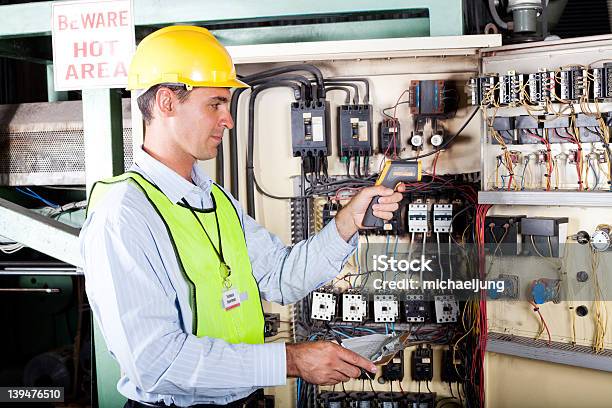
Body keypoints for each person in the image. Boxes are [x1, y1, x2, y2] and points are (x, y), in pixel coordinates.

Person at [80, 25, 403, 408]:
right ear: (167, 102)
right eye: (215, 104)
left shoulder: (215, 199)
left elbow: (280, 278)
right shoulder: (123, 215)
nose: (228, 120)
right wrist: (292, 360)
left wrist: (349, 220)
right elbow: (156, 363)